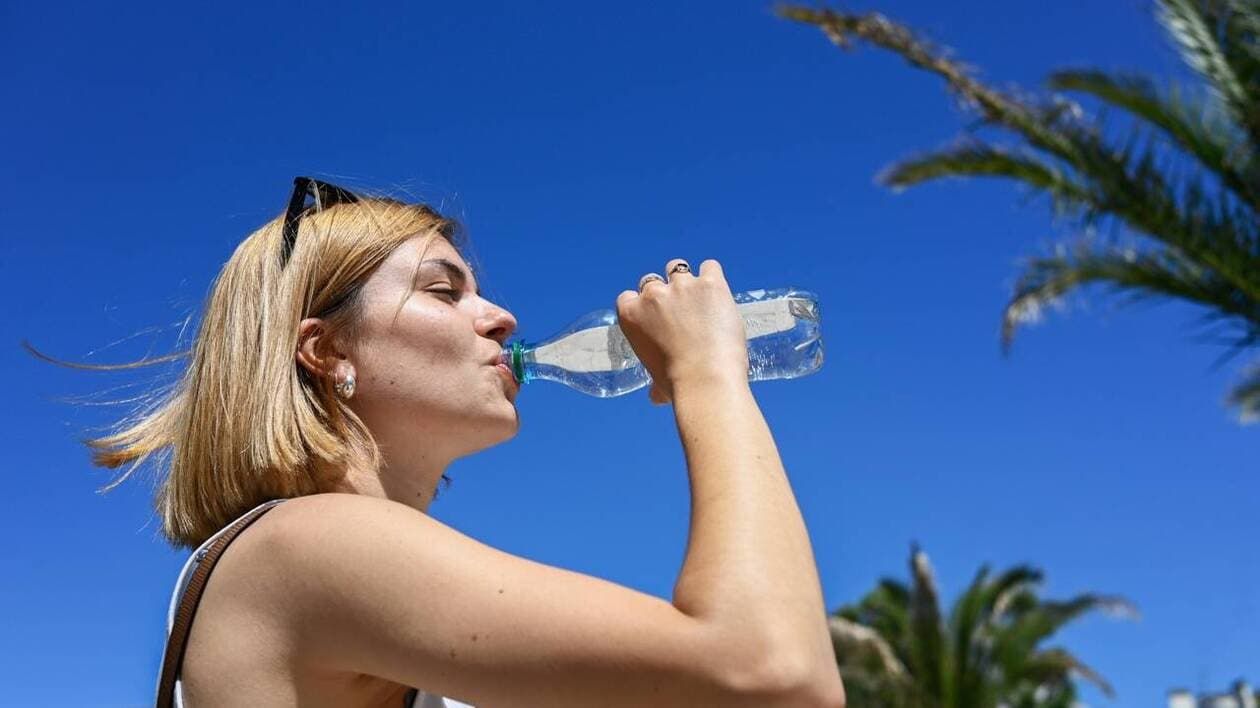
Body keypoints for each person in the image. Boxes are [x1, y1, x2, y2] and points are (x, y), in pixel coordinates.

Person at [84, 178, 845, 707]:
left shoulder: (334, 564)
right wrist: (712, 374)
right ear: (326, 352)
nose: (503, 316)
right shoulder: (307, 546)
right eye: (445, 291)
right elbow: (772, 673)